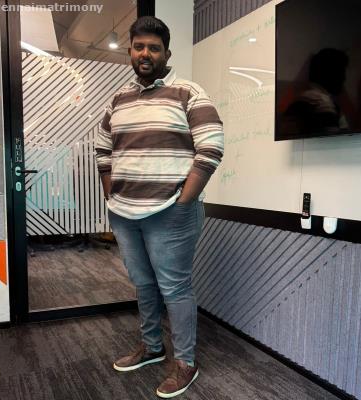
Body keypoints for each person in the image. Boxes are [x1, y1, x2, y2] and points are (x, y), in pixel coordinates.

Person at [95, 16, 224, 398]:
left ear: (166, 53)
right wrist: (110, 195)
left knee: (175, 287)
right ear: (130, 52)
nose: (145, 53)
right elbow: (103, 149)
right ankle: (152, 347)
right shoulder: (118, 99)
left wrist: (184, 202)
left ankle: (185, 362)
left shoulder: (188, 92)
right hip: (124, 213)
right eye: (139, 47)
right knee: (143, 283)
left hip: (170, 212)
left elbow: (211, 147)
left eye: (154, 47)